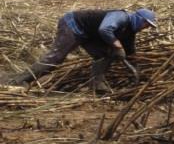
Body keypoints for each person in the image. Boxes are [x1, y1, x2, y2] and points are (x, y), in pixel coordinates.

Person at [6, 8, 157, 92]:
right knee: (55, 59)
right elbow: (105, 29)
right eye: (146, 23)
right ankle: (19, 81)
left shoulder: (130, 32)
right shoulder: (121, 16)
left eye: (148, 26)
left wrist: (137, 71)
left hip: (88, 34)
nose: (146, 27)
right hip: (73, 25)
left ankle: (96, 84)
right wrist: (117, 45)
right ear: (139, 18)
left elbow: (130, 52)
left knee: (105, 54)